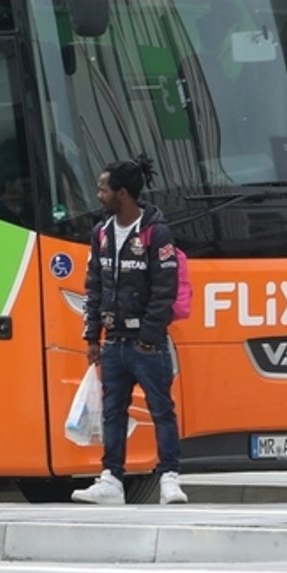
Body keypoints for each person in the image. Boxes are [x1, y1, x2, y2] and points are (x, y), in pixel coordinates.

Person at [72, 156, 187, 505]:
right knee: (112, 411)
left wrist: (151, 338)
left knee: (161, 409)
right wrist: (92, 336)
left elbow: (164, 290)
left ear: (122, 193)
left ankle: (169, 478)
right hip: (113, 341)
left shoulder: (156, 232)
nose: (99, 194)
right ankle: (111, 479)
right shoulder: (101, 233)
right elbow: (93, 287)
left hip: (146, 343)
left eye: (103, 188)